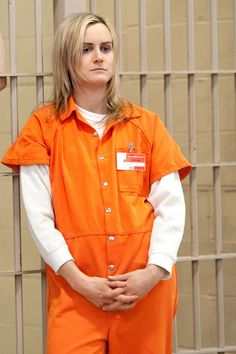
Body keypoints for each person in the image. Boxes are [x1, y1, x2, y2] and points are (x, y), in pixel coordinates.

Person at [1, 12, 191, 354]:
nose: (99, 56)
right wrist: (79, 281)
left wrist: (152, 273)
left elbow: (171, 208)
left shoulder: (146, 125)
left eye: (106, 47)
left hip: (144, 292)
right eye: (86, 49)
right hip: (77, 292)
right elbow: (39, 217)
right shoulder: (43, 128)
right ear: (66, 58)